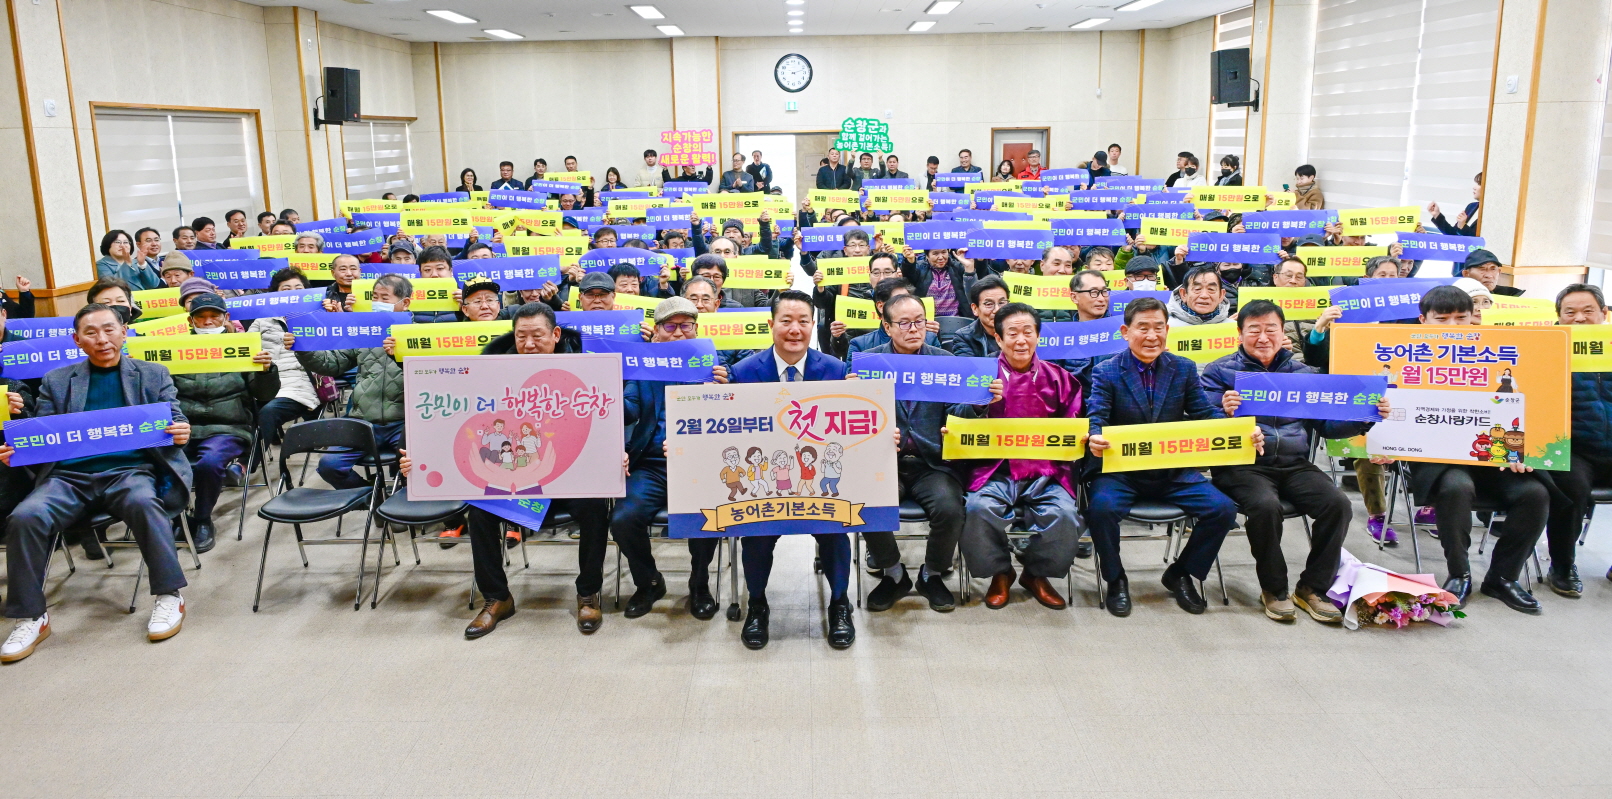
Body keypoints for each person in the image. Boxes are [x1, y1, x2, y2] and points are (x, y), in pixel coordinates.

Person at [396, 303, 616, 636]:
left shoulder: (587, 368)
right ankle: (497, 598)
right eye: (521, 336)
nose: (528, 344)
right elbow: (450, 420)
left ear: (556, 334)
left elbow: (606, 424)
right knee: (480, 514)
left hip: (568, 477)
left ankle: (588, 593)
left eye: (537, 336)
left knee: (595, 508)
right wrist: (418, 458)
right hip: (514, 475)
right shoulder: (490, 371)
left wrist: (615, 456)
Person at [0, 304, 195, 662]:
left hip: (130, 471)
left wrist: (181, 430)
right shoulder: (57, 380)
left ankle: (169, 596)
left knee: (144, 503)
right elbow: (42, 433)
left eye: (109, 329)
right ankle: (31, 617)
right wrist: (21, 449)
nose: (102, 339)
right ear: (77, 340)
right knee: (25, 516)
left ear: (124, 332)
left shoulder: (152, 373)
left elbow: (174, 416)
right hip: (68, 478)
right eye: (91, 332)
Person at [1200, 300, 1388, 623]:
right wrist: (1226, 414)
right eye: (1254, 330)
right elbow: (1202, 422)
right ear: (1239, 334)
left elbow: (1327, 427)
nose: (1263, 337)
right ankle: (1274, 589)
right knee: (1265, 507)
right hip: (1242, 465)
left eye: (1270, 329)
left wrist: (1364, 417)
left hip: (1293, 463)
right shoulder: (1219, 372)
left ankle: (1312, 588)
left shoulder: (1304, 374)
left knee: (1337, 505)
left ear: (1282, 332)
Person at [1085, 297, 1260, 616]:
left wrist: (1240, 429)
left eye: (1158, 327)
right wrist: (1095, 436)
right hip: (1121, 471)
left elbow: (1204, 413)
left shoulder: (1183, 368)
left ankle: (1181, 572)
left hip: (1172, 470)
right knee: (1100, 509)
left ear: (1167, 329)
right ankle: (1116, 578)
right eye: (1143, 328)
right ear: (1125, 331)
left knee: (1222, 510)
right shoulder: (1106, 371)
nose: (1152, 336)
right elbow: (1097, 415)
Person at [1402, 285, 1548, 613]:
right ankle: (1460, 574)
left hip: (1494, 456)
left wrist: (1523, 452)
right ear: (1423, 320)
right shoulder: (1408, 357)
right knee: (1456, 487)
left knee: (1535, 493)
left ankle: (1503, 578)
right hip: (1439, 460)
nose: (1453, 326)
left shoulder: (1499, 354)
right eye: (1442, 319)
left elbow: (1529, 407)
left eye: (1461, 318)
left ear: (1473, 318)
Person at [726, 290, 856, 650]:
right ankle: (757, 604)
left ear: (813, 325)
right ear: (771, 324)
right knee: (755, 535)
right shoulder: (743, 372)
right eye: (786, 321)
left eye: (803, 321)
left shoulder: (836, 371)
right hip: (768, 484)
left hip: (817, 483)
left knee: (836, 531)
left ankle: (839, 603)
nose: (795, 329)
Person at [952, 302, 1083, 610]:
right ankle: (1001, 572)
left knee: (1066, 516)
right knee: (977, 510)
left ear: (1038, 335)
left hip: (1047, 471)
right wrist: (978, 404)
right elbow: (954, 417)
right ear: (998, 338)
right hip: (994, 469)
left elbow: (1074, 426)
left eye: (1028, 332)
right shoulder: (979, 375)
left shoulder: (1059, 377)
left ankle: (1035, 574)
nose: (1021, 340)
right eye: (1012, 333)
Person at [612, 297, 732, 622]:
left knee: (708, 513)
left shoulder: (713, 365)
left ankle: (699, 583)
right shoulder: (643, 367)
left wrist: (727, 391)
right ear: (656, 332)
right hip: (651, 465)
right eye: (670, 326)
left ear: (696, 329)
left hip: (700, 463)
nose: (679, 333)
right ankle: (649, 582)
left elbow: (734, 418)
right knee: (623, 519)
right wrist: (607, 388)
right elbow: (629, 410)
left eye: (686, 325)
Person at [856, 294, 964, 612]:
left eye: (919, 321)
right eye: (904, 323)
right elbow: (854, 419)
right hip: (885, 460)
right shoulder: (869, 363)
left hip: (932, 463)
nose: (914, 328)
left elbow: (958, 411)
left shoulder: (944, 362)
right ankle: (893, 573)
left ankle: (932, 574)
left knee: (950, 508)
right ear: (887, 326)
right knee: (866, 503)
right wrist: (851, 394)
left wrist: (978, 406)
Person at [172, 293, 279, 551]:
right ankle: (175, 517)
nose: (208, 322)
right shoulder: (175, 349)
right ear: (190, 321)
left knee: (209, 463)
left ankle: (202, 518)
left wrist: (266, 371)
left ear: (226, 318)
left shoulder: (243, 347)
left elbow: (264, 394)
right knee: (162, 461)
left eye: (214, 316)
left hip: (228, 427)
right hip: (183, 426)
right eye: (201, 317)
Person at [290, 274, 411, 490]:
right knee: (330, 466)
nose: (377, 303)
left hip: (405, 424)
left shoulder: (421, 335)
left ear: (405, 303)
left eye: (385, 298)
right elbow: (331, 364)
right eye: (374, 297)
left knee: (416, 465)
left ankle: (403, 499)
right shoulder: (363, 332)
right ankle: (369, 496)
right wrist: (303, 347)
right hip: (363, 422)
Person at [1548, 283, 1611, 595]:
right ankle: (1562, 565)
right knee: (1571, 487)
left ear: (1604, 313)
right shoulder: (1548, 351)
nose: (1579, 318)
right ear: (1559, 317)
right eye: (1570, 312)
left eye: (1588, 311)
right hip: (1573, 448)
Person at [249, 268, 322, 455]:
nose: (293, 293)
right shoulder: (262, 321)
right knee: (243, 408)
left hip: (299, 382)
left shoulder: (317, 318)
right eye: (286, 289)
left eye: (298, 288)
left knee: (269, 412)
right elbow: (247, 349)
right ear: (275, 294)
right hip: (267, 379)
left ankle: (245, 465)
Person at [946, 275, 1011, 358]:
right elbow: (970, 365)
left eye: (1002, 303)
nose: (997, 310)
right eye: (989, 304)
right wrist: (1009, 353)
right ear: (975, 309)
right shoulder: (964, 337)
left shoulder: (1020, 331)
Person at [1167, 264, 1233, 325]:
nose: (1204, 295)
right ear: (1183, 294)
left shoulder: (1233, 328)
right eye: (1197, 289)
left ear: (1221, 295)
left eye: (1211, 289)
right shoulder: (1166, 327)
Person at [96, 229, 161, 290]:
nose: (122, 245)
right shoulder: (102, 264)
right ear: (108, 245)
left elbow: (153, 284)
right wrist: (127, 264)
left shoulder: (136, 261)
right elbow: (112, 286)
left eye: (126, 242)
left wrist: (142, 264)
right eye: (117, 242)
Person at [1429, 172, 1481, 237]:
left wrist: (1462, 226)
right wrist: (1437, 215)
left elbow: (1480, 240)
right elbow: (1453, 234)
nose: (1474, 187)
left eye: (1479, 184)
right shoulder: (1471, 206)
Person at [1457, 248, 1521, 296]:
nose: (1489, 275)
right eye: (1482, 269)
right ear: (1466, 274)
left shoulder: (1510, 296)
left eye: (1493, 269)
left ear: (1499, 272)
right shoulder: (1456, 298)